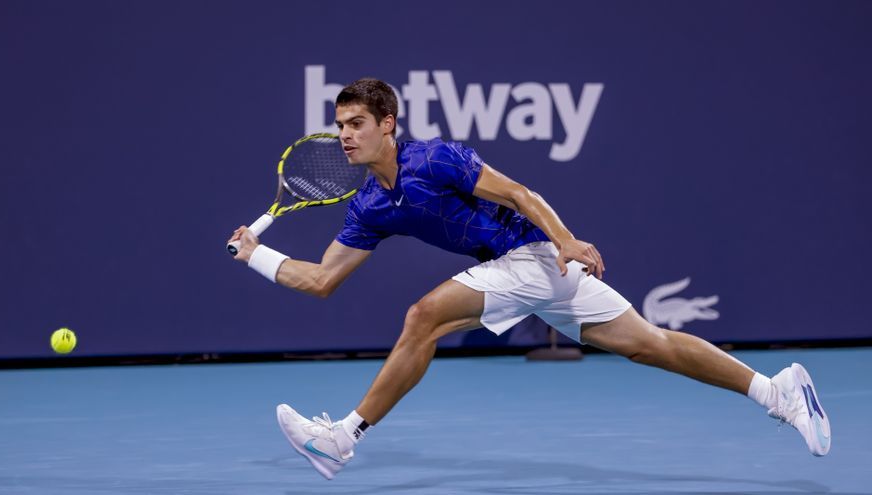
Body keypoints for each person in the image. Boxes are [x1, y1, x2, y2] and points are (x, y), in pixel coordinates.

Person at [227, 78, 831, 480]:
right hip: (527, 273)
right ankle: (776, 392)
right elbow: (322, 278)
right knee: (651, 344)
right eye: (339, 126)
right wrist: (256, 253)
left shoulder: (433, 158)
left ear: (389, 123)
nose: (345, 136)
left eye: (357, 123)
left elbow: (518, 192)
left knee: (422, 317)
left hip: (534, 256)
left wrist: (565, 239)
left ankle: (344, 437)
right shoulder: (369, 206)